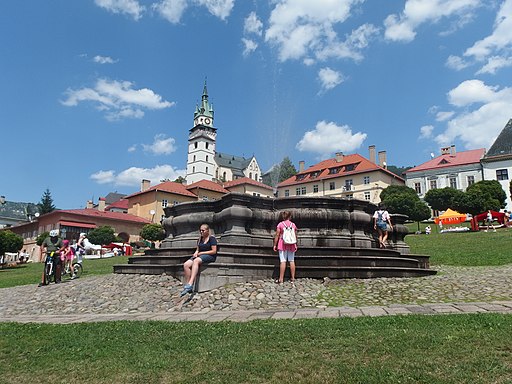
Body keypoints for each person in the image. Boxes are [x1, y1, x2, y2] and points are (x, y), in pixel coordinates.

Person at [180, 224, 217, 296]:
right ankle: (188, 285)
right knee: (186, 264)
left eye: (203, 230)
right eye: (200, 230)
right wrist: (196, 252)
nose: (201, 232)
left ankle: (191, 283)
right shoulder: (200, 239)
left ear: (207, 231)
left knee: (196, 261)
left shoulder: (212, 239)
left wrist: (202, 253)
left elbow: (214, 251)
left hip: (209, 255)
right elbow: (198, 249)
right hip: (199, 255)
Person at [273, 211, 298, 284]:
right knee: (291, 260)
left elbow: (277, 235)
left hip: (282, 243)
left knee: (283, 261)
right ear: (290, 216)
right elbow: (295, 235)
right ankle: (293, 278)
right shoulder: (293, 225)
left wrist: (275, 245)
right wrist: (296, 244)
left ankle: (281, 279)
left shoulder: (280, 224)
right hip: (292, 244)